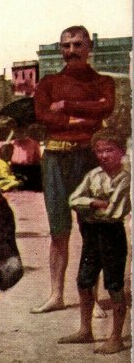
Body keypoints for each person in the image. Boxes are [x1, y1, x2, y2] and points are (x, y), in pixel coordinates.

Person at [30, 25, 115, 314]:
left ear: (89, 47)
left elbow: (106, 108)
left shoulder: (103, 82)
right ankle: (56, 295)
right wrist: (77, 119)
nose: (72, 51)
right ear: (59, 49)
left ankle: (90, 298)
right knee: (58, 231)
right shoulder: (48, 83)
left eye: (78, 45)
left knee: (91, 227)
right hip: (54, 158)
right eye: (66, 46)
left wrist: (65, 106)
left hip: (88, 159)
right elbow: (42, 115)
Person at [58, 130, 130, 354]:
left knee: (114, 285)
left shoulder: (126, 179)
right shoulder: (93, 175)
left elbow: (114, 213)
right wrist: (96, 203)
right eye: (99, 150)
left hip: (111, 235)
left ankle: (116, 337)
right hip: (92, 234)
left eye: (109, 150)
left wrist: (88, 207)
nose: (103, 155)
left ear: (122, 152)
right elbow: (73, 199)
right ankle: (85, 329)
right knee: (84, 280)